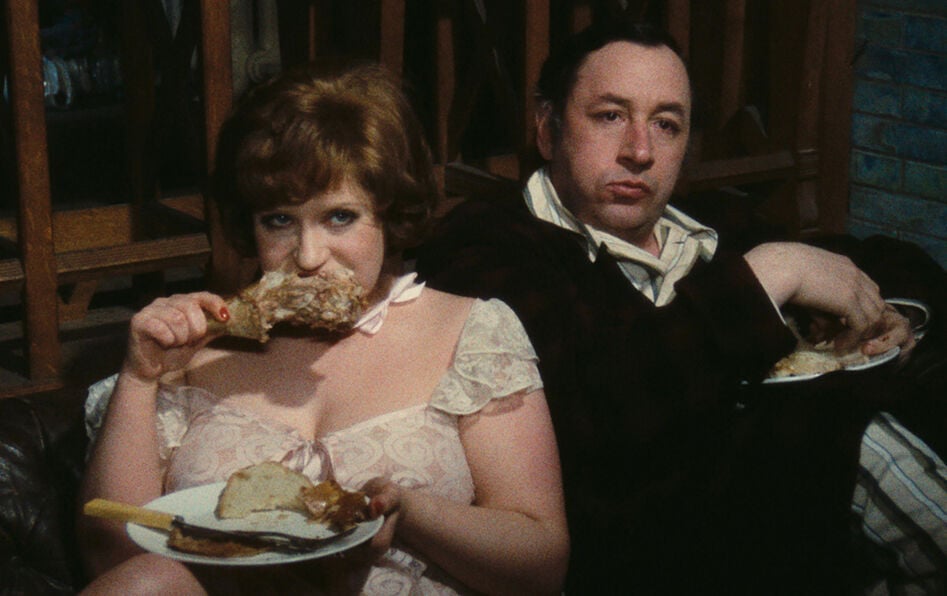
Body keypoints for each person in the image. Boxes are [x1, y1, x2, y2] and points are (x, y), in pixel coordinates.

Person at [414, 20, 947, 595]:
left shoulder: (707, 225)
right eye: (610, 116)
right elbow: (598, 408)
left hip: (811, 527)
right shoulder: (488, 246)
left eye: (665, 124)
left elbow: (892, 261)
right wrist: (770, 276)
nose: (640, 152)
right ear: (548, 129)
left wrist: (886, 312)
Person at [77, 62, 569, 595]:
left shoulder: (470, 332)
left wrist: (414, 514)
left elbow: (541, 566)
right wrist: (140, 378)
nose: (309, 257)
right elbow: (113, 558)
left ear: (390, 213)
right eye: (279, 221)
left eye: (339, 217)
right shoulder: (194, 347)